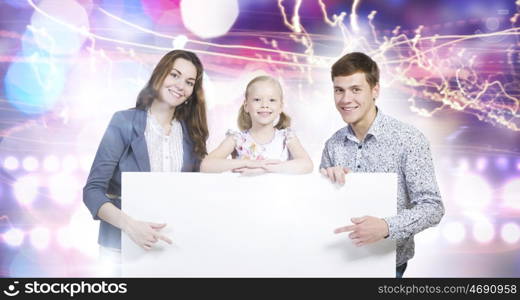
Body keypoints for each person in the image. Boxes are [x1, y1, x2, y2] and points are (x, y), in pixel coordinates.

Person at [319, 52, 444, 278]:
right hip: (335, 265)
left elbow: (433, 207)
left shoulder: (409, 140)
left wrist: (387, 227)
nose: (346, 99)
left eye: (356, 89)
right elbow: (320, 208)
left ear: (375, 90)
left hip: (387, 267)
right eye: (339, 90)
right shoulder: (333, 145)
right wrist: (324, 180)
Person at [83, 50, 209, 257]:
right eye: (174, 75)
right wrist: (131, 226)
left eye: (189, 82)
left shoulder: (192, 133)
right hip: (121, 247)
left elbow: (197, 191)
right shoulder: (124, 122)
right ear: (159, 74)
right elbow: (92, 191)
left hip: (174, 247)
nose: (180, 86)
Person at [201, 75, 313, 175]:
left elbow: (307, 165)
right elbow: (206, 166)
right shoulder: (237, 139)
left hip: (277, 196)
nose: (264, 105)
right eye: (257, 99)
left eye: (272, 100)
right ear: (246, 105)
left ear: (280, 107)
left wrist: (265, 169)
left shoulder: (286, 137)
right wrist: (248, 163)